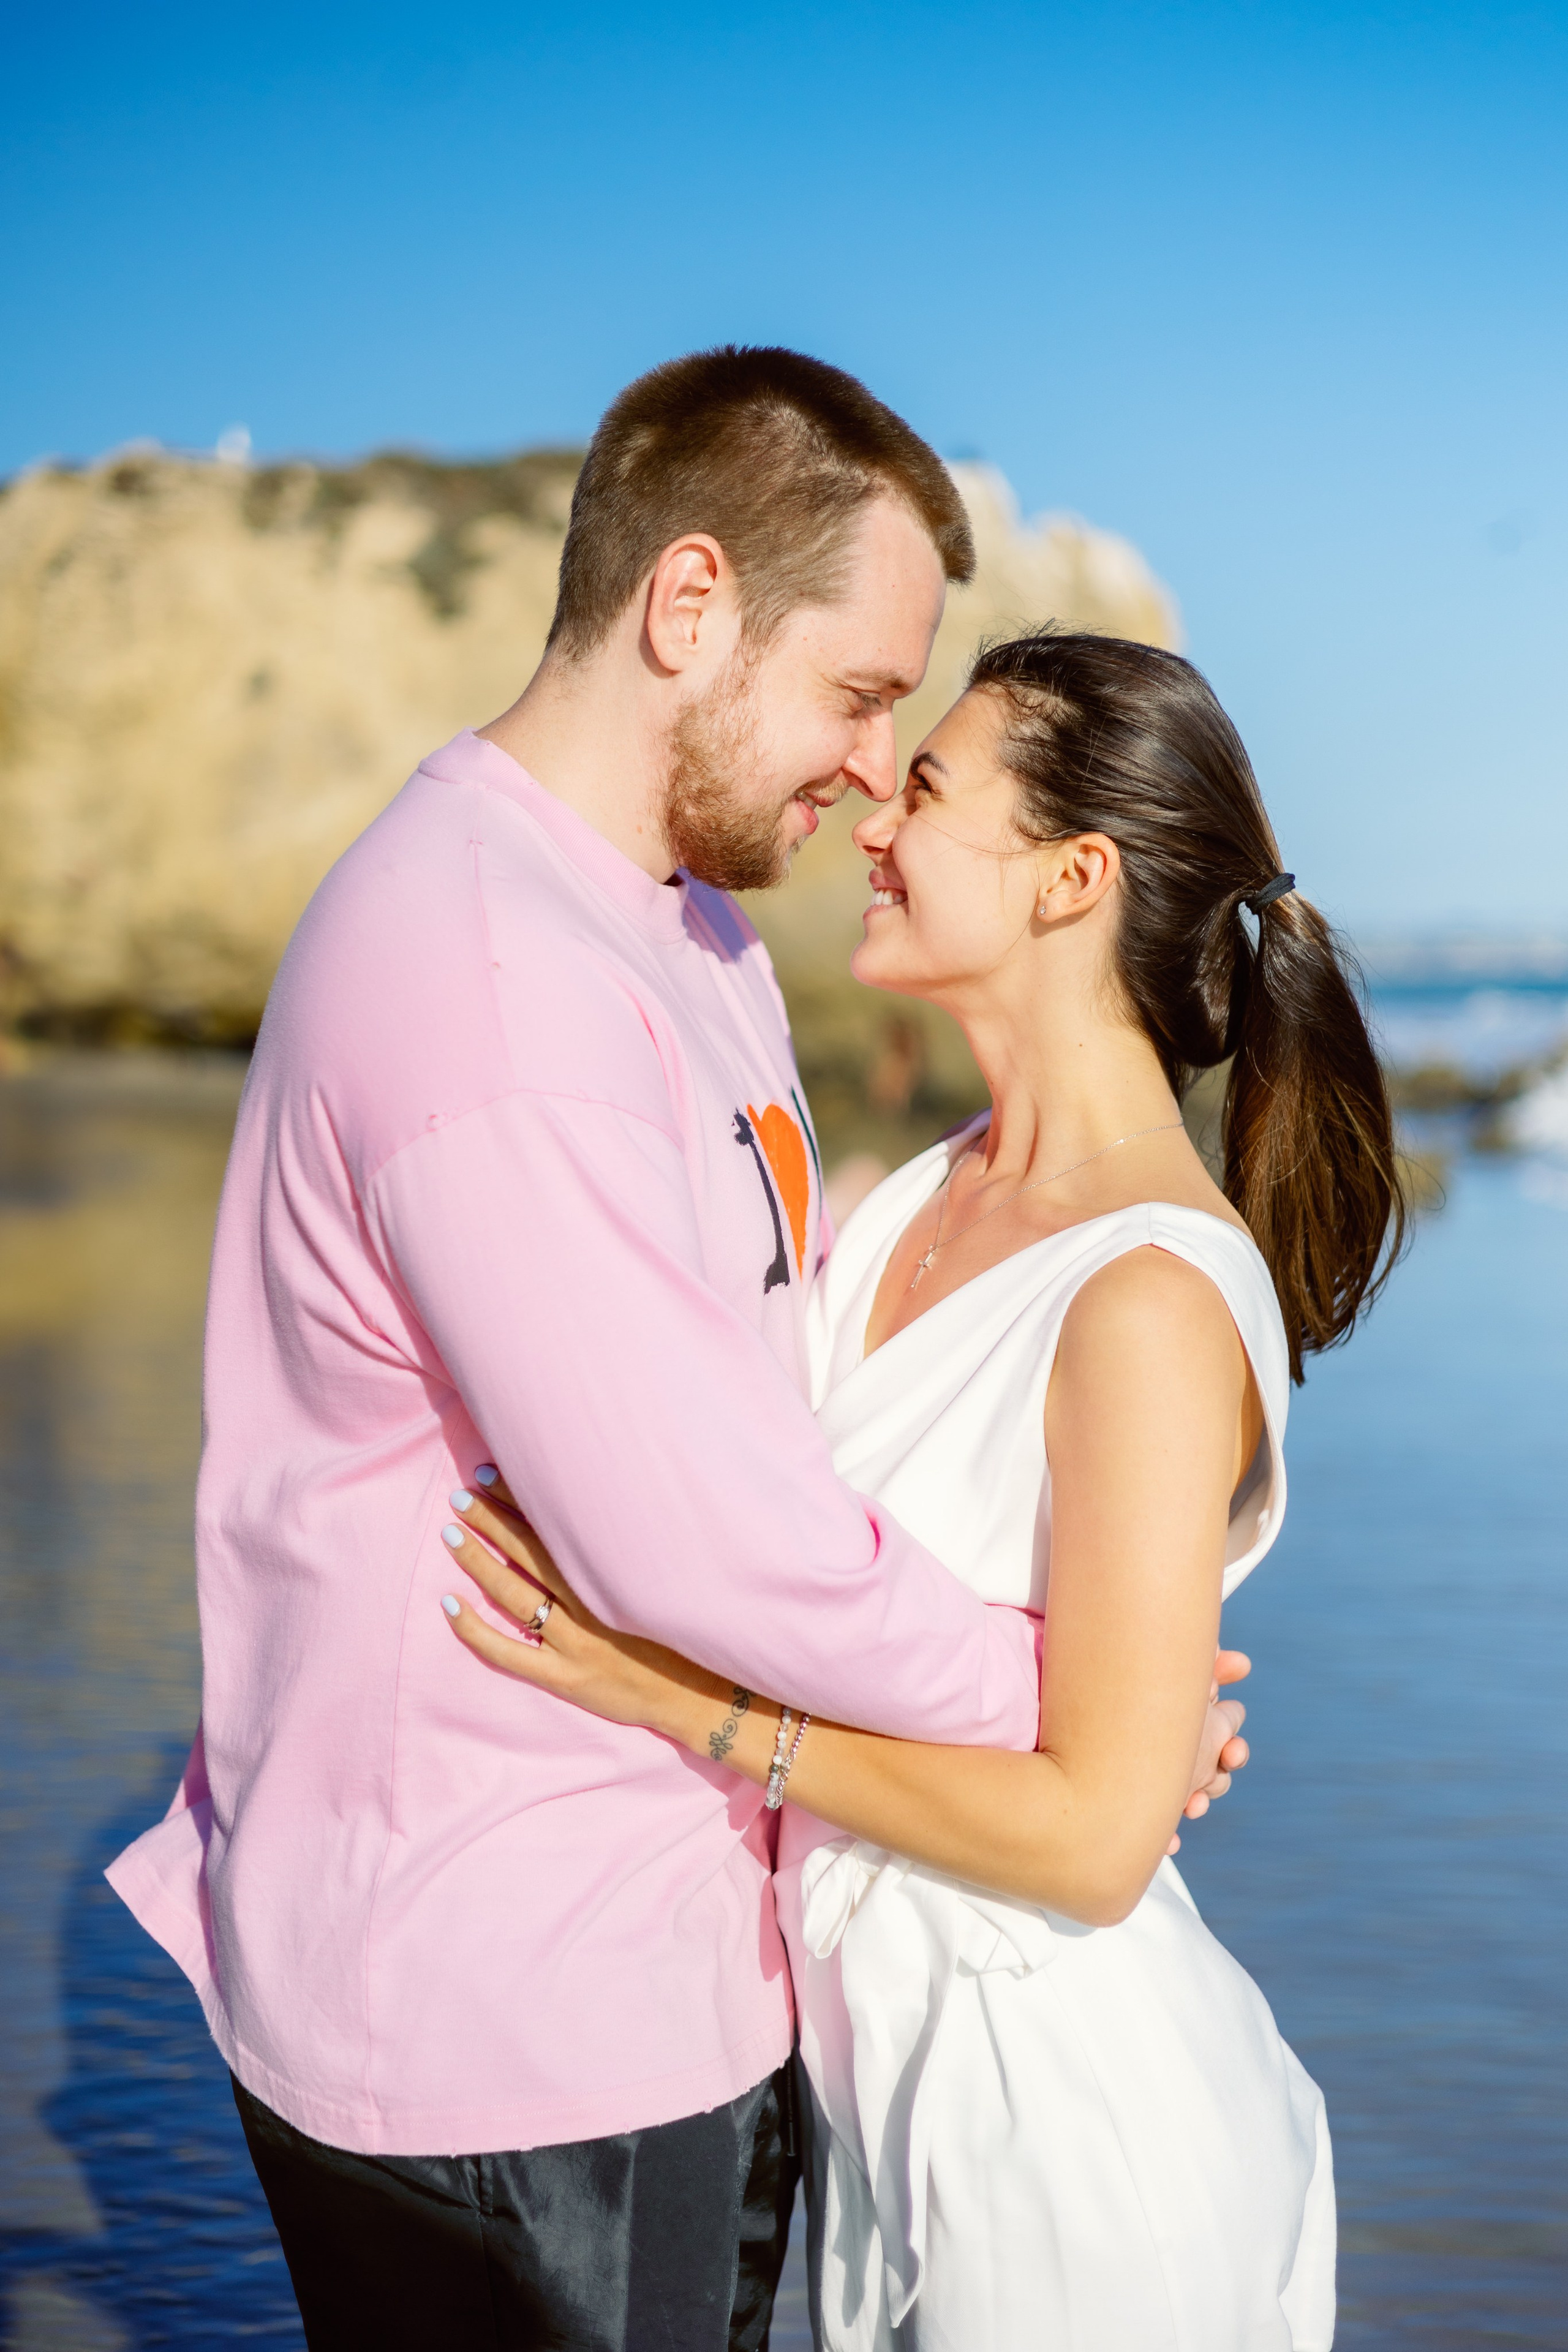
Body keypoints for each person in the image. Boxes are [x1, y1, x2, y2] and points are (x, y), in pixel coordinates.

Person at [105, 353, 1248, 2351]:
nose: (870, 771)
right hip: (509, 2018)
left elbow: (767, 1384)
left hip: (679, 1961)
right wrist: (1068, 1702)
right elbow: (697, 1539)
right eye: (861, 692)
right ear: (689, 605)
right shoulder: (490, 972)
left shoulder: (690, 940)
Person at [435, 631, 1406, 2350]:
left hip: (1063, 2138)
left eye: (935, 781)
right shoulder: (896, 1200)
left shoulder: (1149, 1300)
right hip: (881, 2107)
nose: (875, 805)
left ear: (1071, 880)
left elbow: (1101, 1843)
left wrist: (690, 1703)